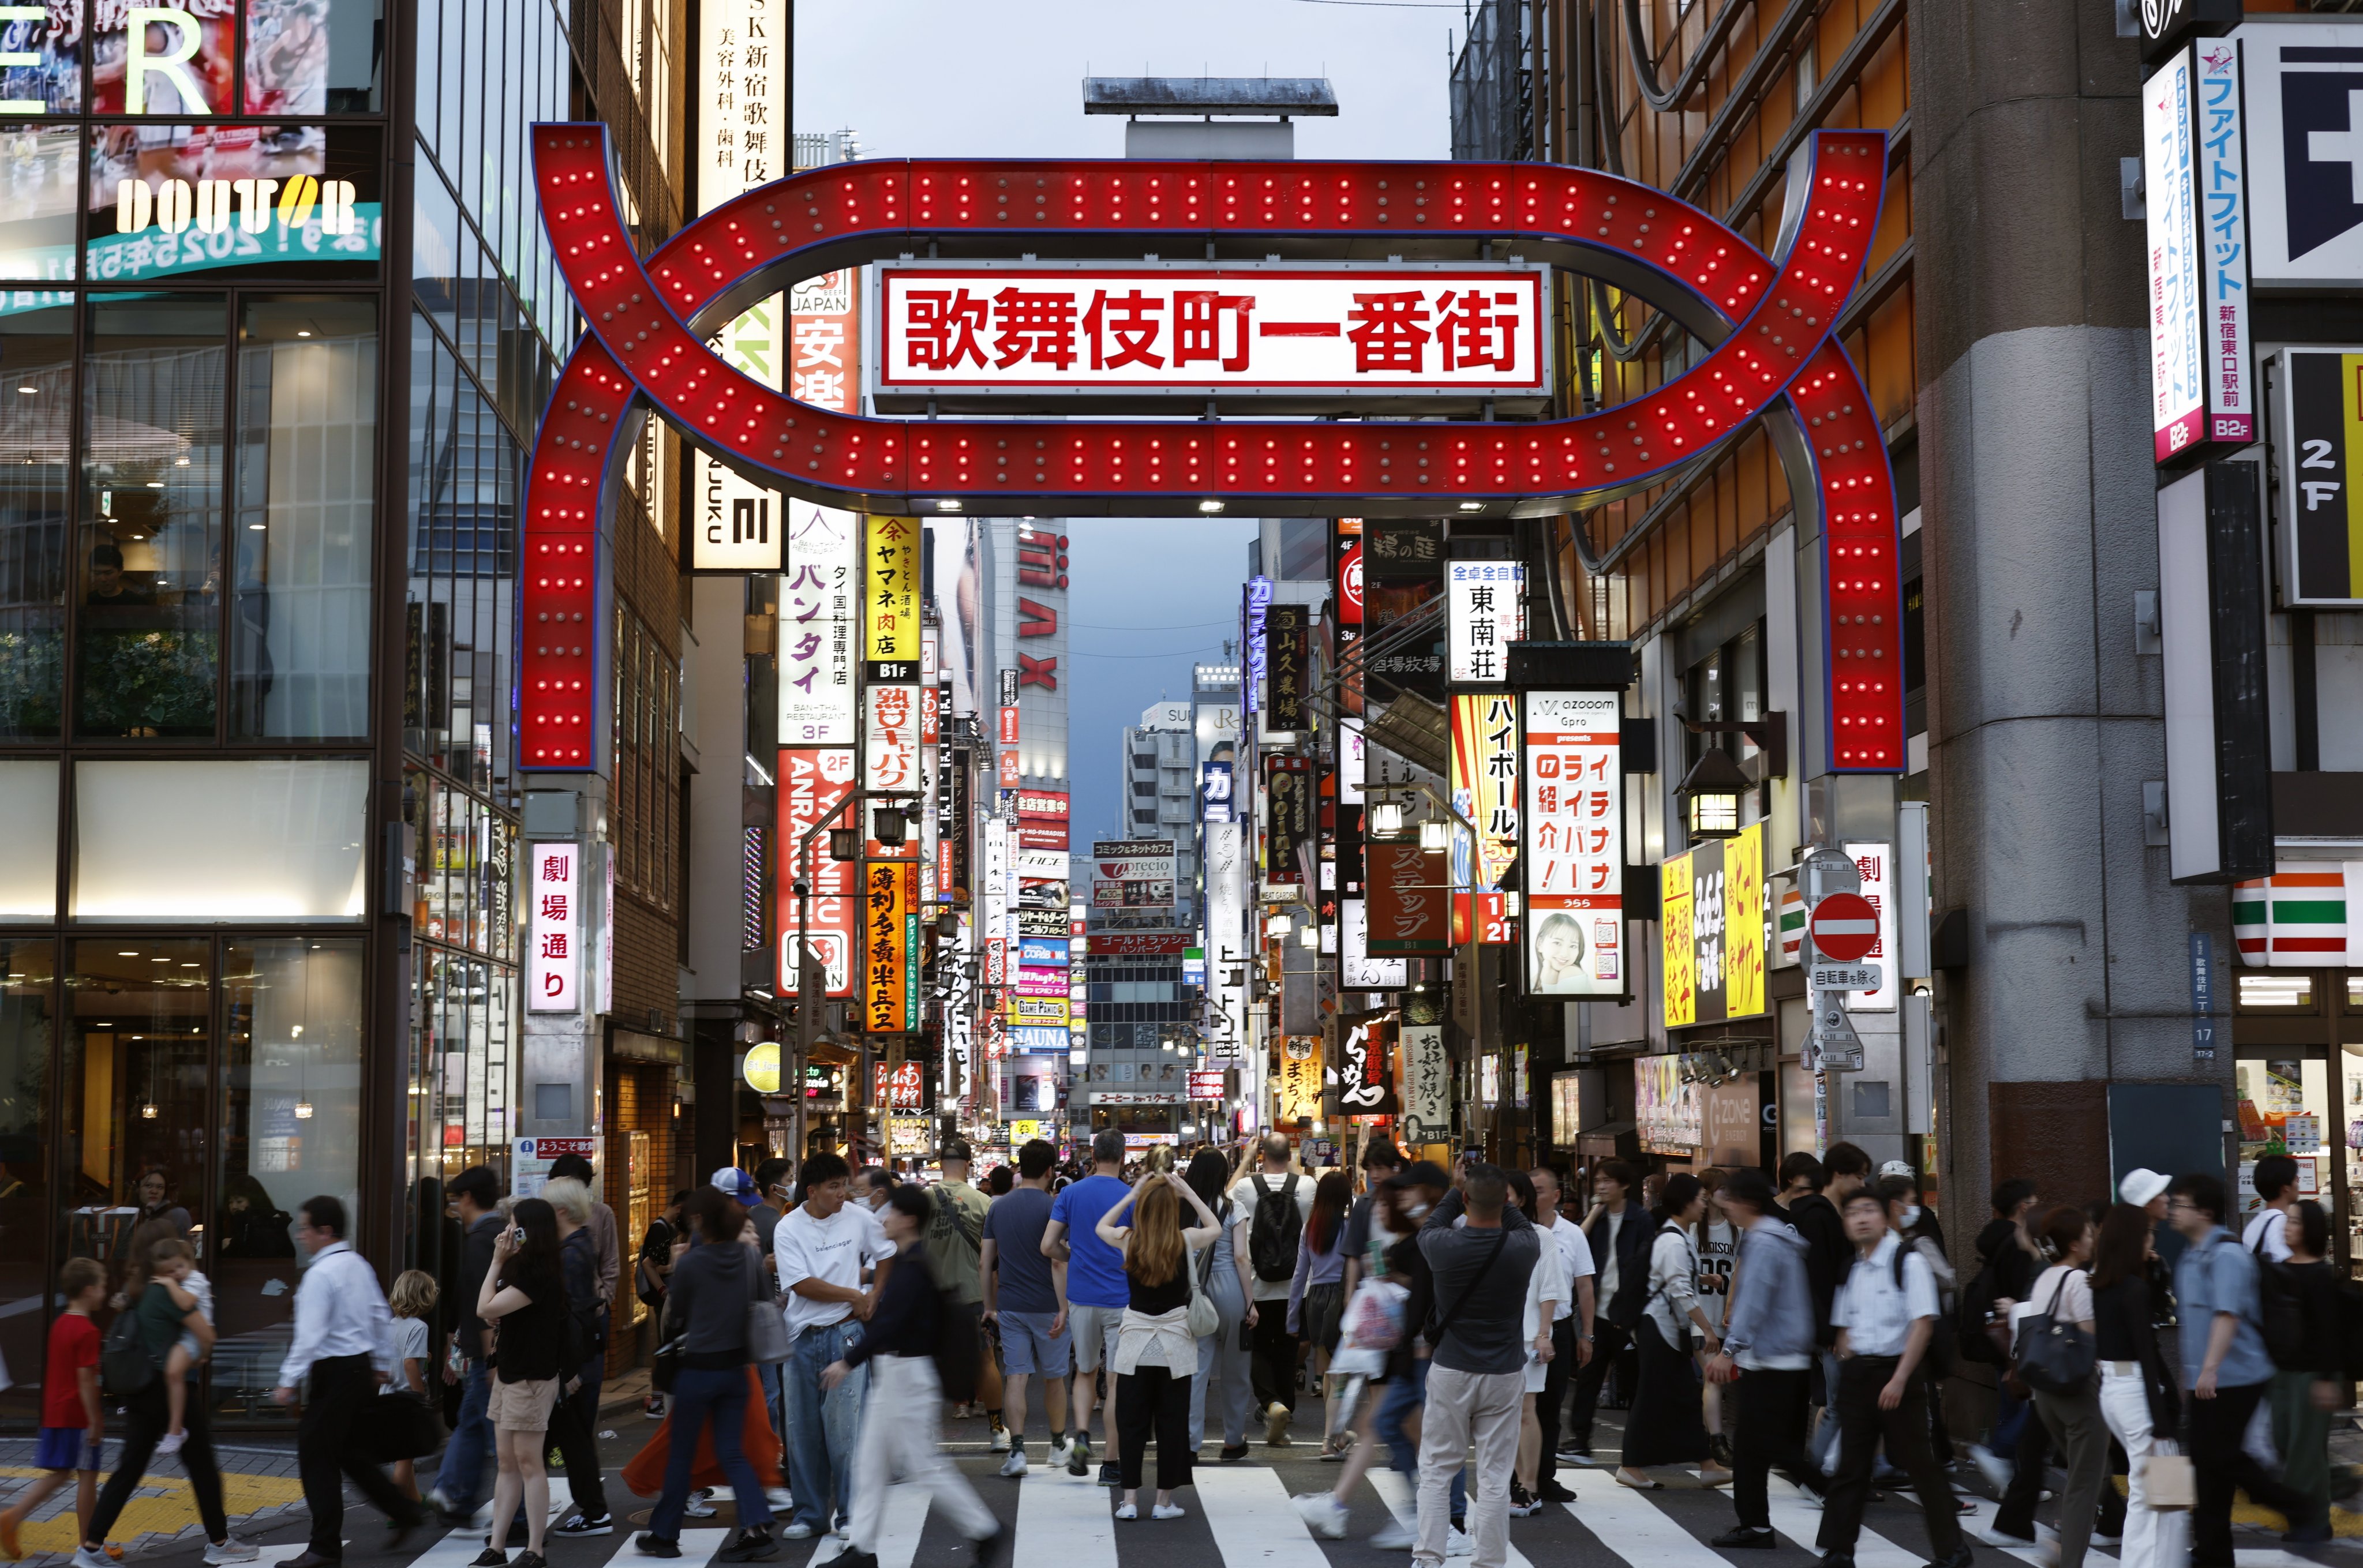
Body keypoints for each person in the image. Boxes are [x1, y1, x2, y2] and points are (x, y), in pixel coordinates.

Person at [824, 1185, 1003, 1568]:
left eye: (890, 1213)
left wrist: (847, 1362)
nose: (883, 1219)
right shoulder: (911, 1263)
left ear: (907, 1220)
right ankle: (861, 1549)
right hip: (897, 1373)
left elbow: (889, 1324)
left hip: (906, 1375)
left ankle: (985, 1530)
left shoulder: (912, 1268)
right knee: (870, 1463)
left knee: (922, 1466)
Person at [2168, 1171, 2315, 1567]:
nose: (2172, 1212)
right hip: (2207, 1378)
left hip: (2238, 1376)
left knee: (2220, 1457)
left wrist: (2209, 1369)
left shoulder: (2227, 1256)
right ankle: (2212, 1553)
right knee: (2207, 1463)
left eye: (2179, 1205)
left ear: (2204, 1211)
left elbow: (2227, 1316)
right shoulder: (2190, 1257)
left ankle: (2295, 1505)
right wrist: (2194, 1370)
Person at [269, 1196, 425, 1568]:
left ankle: (324, 1547)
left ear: (325, 1231)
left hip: (334, 1373)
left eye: (306, 1228)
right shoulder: (357, 1265)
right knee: (349, 1451)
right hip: (358, 1371)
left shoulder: (320, 1275)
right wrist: (379, 1365)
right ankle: (402, 1509)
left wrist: (287, 1381)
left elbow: (310, 1335)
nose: (300, 1235)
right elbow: (378, 1314)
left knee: (316, 1455)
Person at [1817, 1186, 1968, 1568]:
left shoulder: (1906, 1260)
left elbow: (1921, 1325)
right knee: (1851, 1467)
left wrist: (1900, 1378)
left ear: (1884, 1217)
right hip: (1858, 1376)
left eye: (1869, 1210)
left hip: (1897, 1374)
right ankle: (1837, 1552)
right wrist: (1847, 1358)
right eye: (1852, 1213)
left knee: (1920, 1466)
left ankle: (1952, 1552)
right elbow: (1842, 1327)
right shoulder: (1850, 1267)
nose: (1861, 1218)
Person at [77, 1237, 250, 1568]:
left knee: (129, 1469)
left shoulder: (139, 1292)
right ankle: (220, 1542)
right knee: (203, 1467)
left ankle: (90, 1546)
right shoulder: (166, 1290)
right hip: (169, 1391)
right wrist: (200, 1353)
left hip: (142, 1389)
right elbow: (207, 1335)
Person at [636, 1187, 778, 1563]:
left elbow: (677, 1313)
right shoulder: (748, 1256)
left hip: (698, 1369)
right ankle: (757, 1526)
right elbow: (765, 1299)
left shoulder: (694, 1263)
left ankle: (665, 1535)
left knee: (681, 1455)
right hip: (737, 1369)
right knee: (733, 1451)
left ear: (700, 1221)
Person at [1411, 1165, 1540, 1568]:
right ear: (1506, 1200)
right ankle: (1488, 1561)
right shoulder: (1523, 1247)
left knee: (1436, 1468)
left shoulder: (1441, 1245)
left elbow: (1431, 1222)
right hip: (1503, 1371)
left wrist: (1456, 1187)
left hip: (1451, 1368)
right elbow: (1520, 1221)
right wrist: (1499, 1196)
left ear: (1465, 1200)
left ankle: (1429, 1557)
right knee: (1495, 1475)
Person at [773, 1150, 893, 1540]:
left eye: (844, 1185)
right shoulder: (788, 1227)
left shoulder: (859, 1217)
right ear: (812, 1190)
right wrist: (853, 1295)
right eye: (834, 1186)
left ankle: (850, 1515)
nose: (843, 1193)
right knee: (802, 1431)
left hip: (846, 1335)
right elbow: (800, 1284)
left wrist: (874, 1293)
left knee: (845, 1433)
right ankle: (808, 1515)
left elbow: (887, 1253)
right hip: (801, 1339)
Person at [1094, 1169, 1225, 1520]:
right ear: (1171, 1208)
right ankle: (1163, 1502)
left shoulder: (1129, 1239)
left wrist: (1131, 1194)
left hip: (1135, 1342)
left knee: (1132, 1422)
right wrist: (1190, 1194)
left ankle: (1130, 1501)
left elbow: (1099, 1228)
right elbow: (1216, 1227)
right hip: (1176, 1343)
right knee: (1172, 1422)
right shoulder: (1184, 1240)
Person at [1705, 1168, 1824, 1549]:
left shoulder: (1763, 1242)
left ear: (1748, 1204)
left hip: (1772, 1358)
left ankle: (1835, 1493)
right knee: (1758, 1448)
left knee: (1767, 1447)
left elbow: (1753, 1301)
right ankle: (1755, 1525)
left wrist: (1729, 1350)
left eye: (1731, 1198)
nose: (1725, 1205)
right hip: (1781, 1356)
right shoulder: (1774, 1237)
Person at [469, 1197, 568, 1568]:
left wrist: (497, 1260)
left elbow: (485, 1309)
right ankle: (497, 1547)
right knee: (508, 1464)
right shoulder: (525, 1268)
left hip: (531, 1379)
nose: (507, 1233)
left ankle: (535, 1550)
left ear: (529, 1230)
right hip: (512, 1375)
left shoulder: (537, 1274)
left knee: (529, 1464)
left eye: (514, 1226)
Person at [2090, 1184, 2186, 1568]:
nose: (2152, 1239)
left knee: (2163, 1492)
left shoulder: (2102, 1286)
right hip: (2136, 1394)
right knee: (2154, 1495)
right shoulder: (2132, 1290)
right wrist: (2163, 1419)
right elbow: (2147, 1354)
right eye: (2148, 1233)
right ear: (2134, 1238)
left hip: (2115, 1391)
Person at [1615, 1172, 1729, 1488]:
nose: (1704, 1204)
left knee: (1680, 1398)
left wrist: (1704, 1279)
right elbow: (1679, 1290)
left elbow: (1674, 1280)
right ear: (1686, 1202)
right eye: (1700, 1198)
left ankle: (1707, 1465)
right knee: (1656, 1397)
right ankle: (1631, 1466)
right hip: (1659, 1329)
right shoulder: (1672, 1239)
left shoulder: (1679, 1236)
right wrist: (1707, 1329)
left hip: (1666, 1329)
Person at [2015, 1204, 2107, 1568]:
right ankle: (2068, 1559)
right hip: (2078, 1391)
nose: (2092, 1239)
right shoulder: (2078, 1281)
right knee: (2085, 1481)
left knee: (2090, 1471)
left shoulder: (2045, 1278)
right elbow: (2090, 1340)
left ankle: (2061, 1545)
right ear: (2073, 1243)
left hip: (2046, 1393)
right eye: (2087, 1233)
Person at [1, 1259, 108, 1560]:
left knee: (61, 1473)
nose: (104, 1292)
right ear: (88, 1290)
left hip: (56, 1412)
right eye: (101, 1286)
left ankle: (12, 1518)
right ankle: (89, 1545)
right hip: (78, 1415)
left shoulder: (60, 1324)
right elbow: (87, 1381)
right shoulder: (88, 1331)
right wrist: (95, 1419)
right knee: (88, 1475)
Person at [1043, 1128, 1134, 1481]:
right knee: (1116, 1381)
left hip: (1081, 1297)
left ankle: (1081, 1434)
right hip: (1122, 1299)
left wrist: (1074, 1255)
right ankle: (1111, 1463)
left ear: (1092, 1157)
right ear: (1123, 1158)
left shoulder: (1070, 1193)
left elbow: (1048, 1245)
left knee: (1084, 1371)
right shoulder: (1131, 1197)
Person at [982, 1138, 1071, 1476]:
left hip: (1010, 1304)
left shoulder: (998, 1208)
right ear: (1051, 1170)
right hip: (1050, 1305)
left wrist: (989, 1307)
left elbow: (986, 1262)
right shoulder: (1055, 1207)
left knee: (1016, 1376)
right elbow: (1059, 1261)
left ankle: (1017, 1452)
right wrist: (1064, 1306)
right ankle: (1058, 1445)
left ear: (1021, 1166)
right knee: (1054, 1378)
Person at [540, 1177, 616, 1538]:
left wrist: (566, 1370)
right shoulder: (580, 1244)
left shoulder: (571, 1253)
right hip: (582, 1362)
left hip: (574, 1365)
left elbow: (570, 1316)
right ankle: (586, 1510)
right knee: (568, 1439)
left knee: (569, 1440)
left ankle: (593, 1511)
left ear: (560, 1211)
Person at [1562, 1158, 1650, 1463]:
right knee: (1588, 1377)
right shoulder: (1596, 1219)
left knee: (1633, 1384)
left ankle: (1639, 1447)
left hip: (1626, 1317)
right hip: (1597, 1314)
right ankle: (1580, 1441)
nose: (1600, 1186)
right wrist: (1595, 1212)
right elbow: (1573, 1245)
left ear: (1624, 1185)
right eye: (1598, 1181)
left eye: (1607, 1181)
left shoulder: (1640, 1220)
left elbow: (1645, 1269)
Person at [1231, 1133, 1315, 1447]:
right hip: (1297, 1285)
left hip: (1256, 1284)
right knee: (1288, 1351)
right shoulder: (1307, 1186)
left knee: (1256, 1349)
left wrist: (1246, 1159)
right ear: (1290, 1154)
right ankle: (1285, 1407)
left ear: (1262, 1155)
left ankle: (1271, 1403)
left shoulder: (1246, 1188)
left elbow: (1223, 1199)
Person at [2269, 1198, 2345, 1543]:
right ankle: (2333, 1489)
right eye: (2289, 1221)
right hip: (2283, 1373)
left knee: (2304, 1450)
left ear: (2311, 1230)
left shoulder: (2320, 1275)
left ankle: (2312, 1522)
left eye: (2296, 1222)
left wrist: (2328, 1380)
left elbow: (2330, 1333)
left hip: (2313, 1375)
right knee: (2286, 1441)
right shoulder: (2282, 1268)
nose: (2288, 1226)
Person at [433, 1165, 505, 1516]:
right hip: (485, 1354)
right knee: (472, 1425)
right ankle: (454, 1495)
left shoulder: (481, 1240)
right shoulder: (503, 1232)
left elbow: (484, 1306)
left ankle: (518, 1517)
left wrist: (490, 1359)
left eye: (456, 1201)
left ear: (468, 1198)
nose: (455, 1210)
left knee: (497, 1439)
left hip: (487, 1357)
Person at [926, 1139, 1002, 1442]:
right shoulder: (984, 1203)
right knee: (986, 1362)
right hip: (973, 1294)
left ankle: (924, 1436)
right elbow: (994, 1259)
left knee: (927, 1365)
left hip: (934, 1299)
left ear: (940, 1163)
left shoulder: (923, 1199)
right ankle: (997, 1431)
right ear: (969, 1165)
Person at [1182, 1147, 1256, 1461]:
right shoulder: (1234, 1207)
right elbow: (1242, 1257)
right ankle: (1233, 1439)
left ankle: (1189, 1444)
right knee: (1236, 1369)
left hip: (1194, 1289)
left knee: (1195, 1370)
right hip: (1230, 1289)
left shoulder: (1183, 1209)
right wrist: (1251, 1302)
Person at [1527, 1166, 1595, 1501]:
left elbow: (1585, 1287)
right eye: (1530, 1189)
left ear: (1555, 1196)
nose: (1534, 1195)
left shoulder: (1572, 1234)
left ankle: (1545, 1476)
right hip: (1525, 1329)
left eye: (1540, 1189)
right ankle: (1519, 1477)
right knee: (1522, 1406)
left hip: (1560, 1327)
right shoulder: (1517, 1231)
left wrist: (1588, 1335)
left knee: (1551, 1407)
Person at [1504, 1169, 1566, 1516]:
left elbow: (1550, 1290)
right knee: (1505, 1413)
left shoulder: (1541, 1235)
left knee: (1526, 1411)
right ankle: (1517, 1481)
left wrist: (1544, 1334)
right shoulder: (1490, 1233)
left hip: (1528, 1336)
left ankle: (1529, 1485)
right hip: (1498, 1337)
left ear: (1522, 1199)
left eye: (1508, 1194)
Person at [1289, 1171, 1353, 1453]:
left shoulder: (1309, 1228)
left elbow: (1299, 1276)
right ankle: (1331, 1438)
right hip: (1342, 1301)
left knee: (1328, 1371)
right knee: (1340, 1374)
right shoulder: (1350, 1229)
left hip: (1315, 1300)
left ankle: (1336, 1436)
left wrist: (1292, 1315)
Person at [147, 1240, 211, 1456]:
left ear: (190, 1262)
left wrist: (170, 1284)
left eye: (180, 1267)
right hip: (186, 1335)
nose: (176, 1273)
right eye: (170, 1271)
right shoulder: (182, 1279)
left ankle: (175, 1431)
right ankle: (175, 1429)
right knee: (173, 1375)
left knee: (173, 1372)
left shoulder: (196, 1279)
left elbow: (186, 1304)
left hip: (193, 1336)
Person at [385, 1270, 440, 1505]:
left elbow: (399, 1358)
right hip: (408, 1400)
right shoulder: (419, 1327)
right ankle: (395, 1508)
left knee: (405, 1451)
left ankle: (415, 1499)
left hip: (390, 1396)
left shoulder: (392, 1325)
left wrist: (422, 1357)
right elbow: (409, 1363)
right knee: (405, 1457)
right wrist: (421, 1398)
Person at [636, 1190, 688, 1420]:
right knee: (667, 1350)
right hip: (671, 1305)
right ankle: (659, 1402)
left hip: (672, 1304)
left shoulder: (674, 1239)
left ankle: (664, 1403)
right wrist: (664, 1289)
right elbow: (651, 1265)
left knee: (669, 1349)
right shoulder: (669, 1238)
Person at [2243, 1153, 2298, 1261]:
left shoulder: (2254, 1224)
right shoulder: (2281, 1223)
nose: (2297, 1185)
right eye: (2296, 1180)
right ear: (2286, 1188)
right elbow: (2288, 1263)